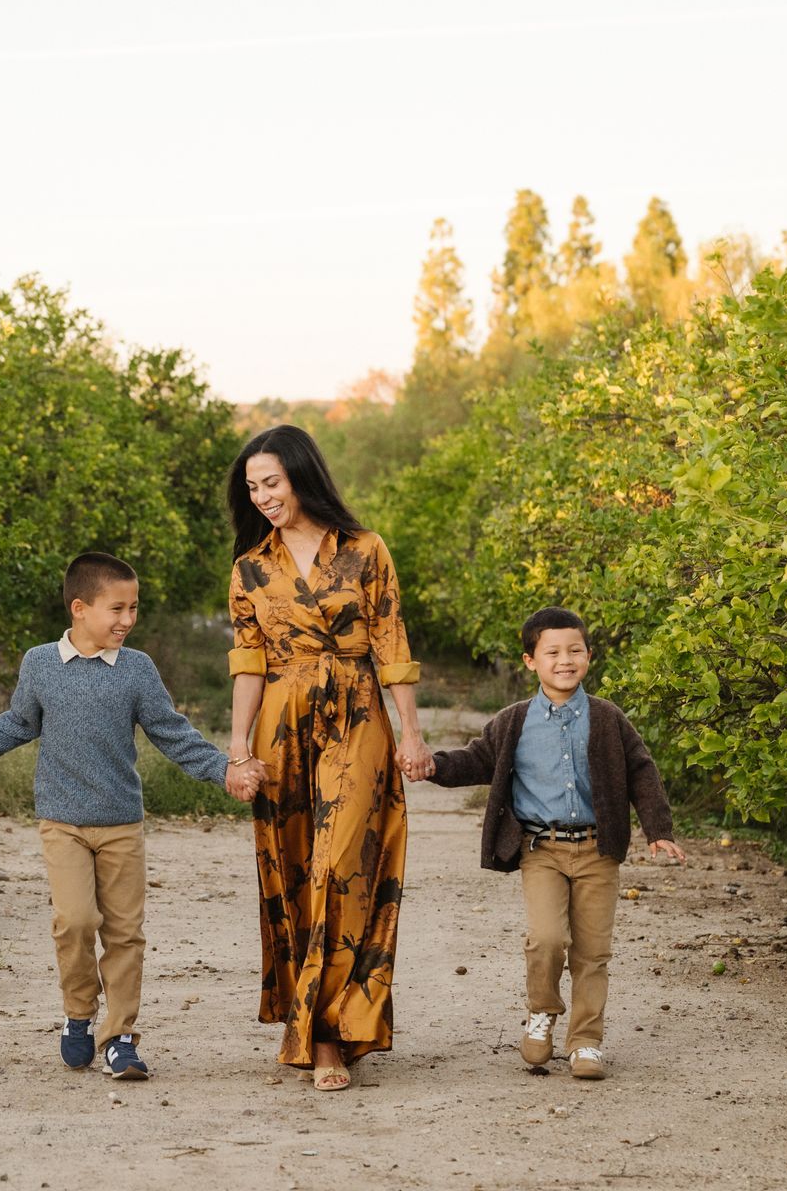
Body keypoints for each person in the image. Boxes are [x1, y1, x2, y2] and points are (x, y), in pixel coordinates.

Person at [0, 553, 264, 1081]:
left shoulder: (137, 669)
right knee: (75, 922)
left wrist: (224, 770)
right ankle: (78, 1015)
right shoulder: (40, 664)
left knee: (124, 933)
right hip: (62, 822)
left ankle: (120, 1038)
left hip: (121, 824)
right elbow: (18, 724)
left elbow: (172, 733)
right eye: (117, 608)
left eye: (133, 608)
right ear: (80, 608)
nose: (127, 619)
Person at [225, 424, 431, 1092]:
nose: (263, 497)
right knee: (293, 868)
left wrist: (411, 735)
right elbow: (249, 664)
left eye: (272, 483)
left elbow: (392, 643)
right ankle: (318, 1024)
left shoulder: (365, 550)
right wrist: (237, 747)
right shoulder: (250, 567)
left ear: (302, 476)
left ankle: (330, 1034)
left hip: (358, 712)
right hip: (281, 721)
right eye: (252, 487)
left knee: (342, 866)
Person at [421, 606, 686, 1081]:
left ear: (589, 655)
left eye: (575, 650)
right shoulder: (514, 721)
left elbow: (641, 770)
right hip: (541, 851)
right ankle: (542, 1012)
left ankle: (585, 1042)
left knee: (592, 953)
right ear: (530, 661)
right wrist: (434, 766)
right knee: (547, 939)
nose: (565, 660)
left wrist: (658, 830)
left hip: (598, 852)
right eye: (553, 652)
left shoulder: (607, 718)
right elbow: (477, 760)